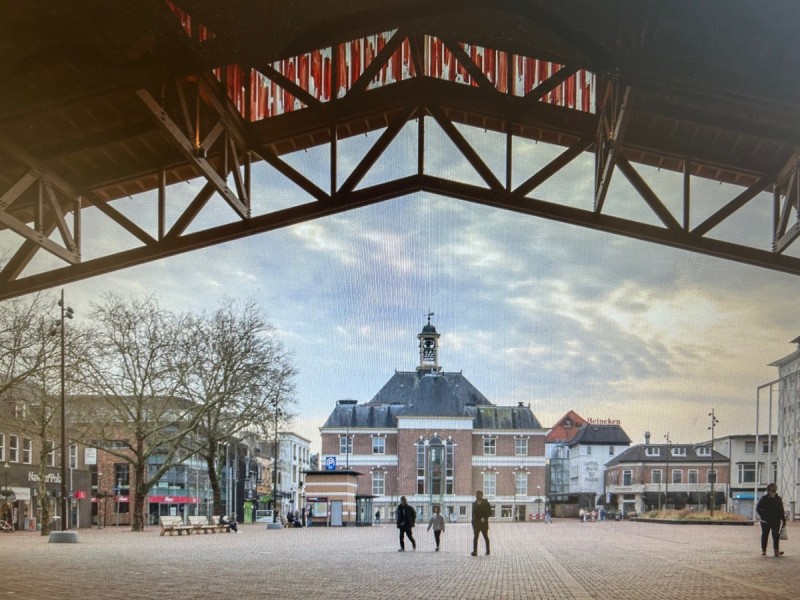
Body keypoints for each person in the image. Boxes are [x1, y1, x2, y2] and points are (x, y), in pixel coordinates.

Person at [756, 483, 787, 556]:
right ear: (769, 489)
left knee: (776, 536)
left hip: (776, 520)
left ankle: (776, 551)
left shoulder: (778, 498)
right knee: (765, 535)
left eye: (775, 487)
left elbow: (781, 510)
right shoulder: (764, 498)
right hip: (765, 521)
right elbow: (758, 508)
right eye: (772, 487)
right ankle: (763, 550)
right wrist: (763, 516)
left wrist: (783, 520)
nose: (773, 489)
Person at [471, 490, 491, 556]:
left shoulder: (486, 502)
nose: (477, 496)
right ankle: (475, 551)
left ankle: (488, 550)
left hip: (483, 523)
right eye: (476, 495)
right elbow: (473, 514)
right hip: (476, 524)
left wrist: (485, 518)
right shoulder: (474, 504)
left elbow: (489, 512)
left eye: (478, 495)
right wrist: (473, 522)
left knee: (485, 537)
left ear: (481, 495)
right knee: (475, 538)